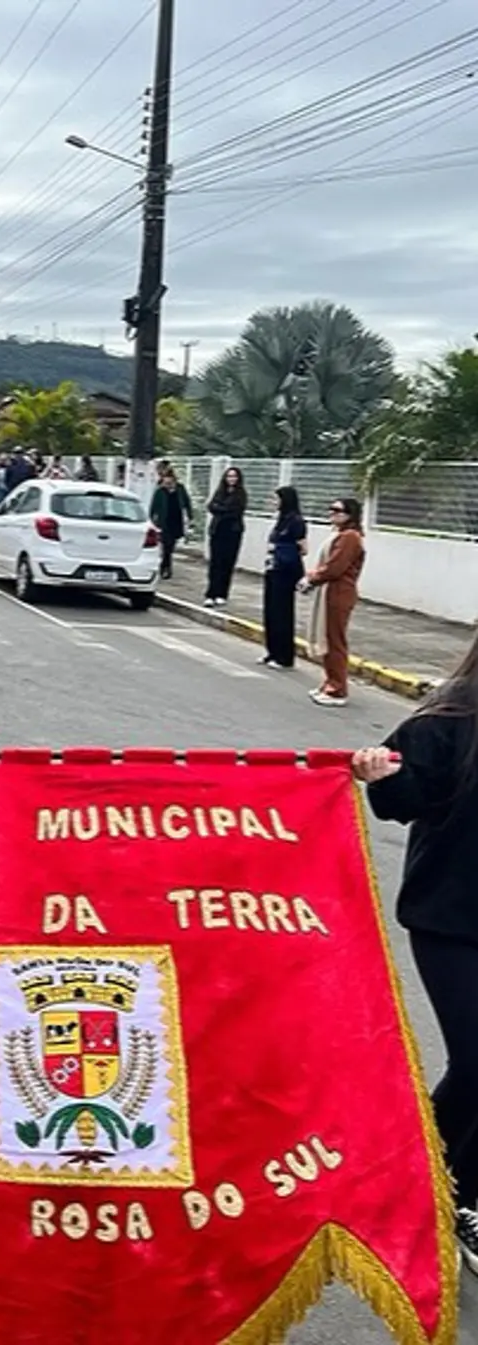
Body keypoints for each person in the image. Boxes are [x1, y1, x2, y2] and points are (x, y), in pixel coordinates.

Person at [352, 647, 478, 1275]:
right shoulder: (446, 724)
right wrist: (379, 773)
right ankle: (416, 1173)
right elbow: (401, 799)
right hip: (453, 923)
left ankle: (453, 1191)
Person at [302, 497, 365, 707]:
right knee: (327, 639)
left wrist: (312, 577)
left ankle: (337, 689)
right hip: (330, 591)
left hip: (338, 593)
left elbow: (334, 568)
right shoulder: (339, 534)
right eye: (331, 509)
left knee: (334, 641)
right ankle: (330, 682)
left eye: (338, 510)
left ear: (350, 514)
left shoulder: (350, 537)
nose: (332, 513)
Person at [260, 486, 307, 670]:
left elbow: (304, 548)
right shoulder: (279, 520)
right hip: (272, 568)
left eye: (276, 499)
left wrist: (285, 553)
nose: (273, 502)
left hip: (285, 571)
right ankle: (271, 651)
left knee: (282, 613)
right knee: (270, 611)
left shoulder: (296, 521)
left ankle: (284, 656)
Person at [204, 467, 247, 607]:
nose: (231, 479)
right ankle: (211, 594)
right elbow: (211, 506)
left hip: (232, 533)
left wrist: (220, 509)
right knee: (215, 563)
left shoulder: (241, 494)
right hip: (217, 531)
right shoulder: (220, 492)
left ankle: (222, 594)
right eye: (229, 476)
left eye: (234, 476)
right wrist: (221, 509)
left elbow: (235, 511)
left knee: (227, 564)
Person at [149, 470, 193, 581]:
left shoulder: (180, 489)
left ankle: (164, 565)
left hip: (176, 521)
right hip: (164, 522)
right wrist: (152, 521)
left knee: (171, 546)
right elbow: (153, 507)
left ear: (173, 479)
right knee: (166, 545)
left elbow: (187, 502)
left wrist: (190, 516)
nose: (167, 481)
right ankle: (166, 568)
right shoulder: (160, 491)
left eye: (169, 479)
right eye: (165, 479)